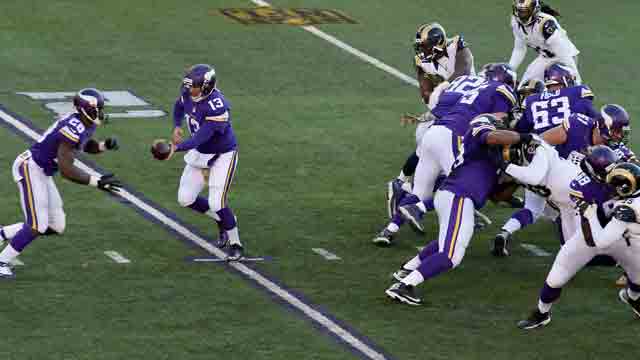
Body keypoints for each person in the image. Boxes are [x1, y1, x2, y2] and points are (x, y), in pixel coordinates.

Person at [384, 114, 533, 305]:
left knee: (446, 242)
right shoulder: (480, 134)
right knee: (452, 255)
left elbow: (497, 197)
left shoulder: (490, 159)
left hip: (458, 197)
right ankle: (404, 286)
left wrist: (516, 177)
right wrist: (525, 137)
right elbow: (494, 137)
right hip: (458, 196)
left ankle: (407, 269)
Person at [0, 88, 122, 278]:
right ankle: (2, 261)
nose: (100, 112)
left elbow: (83, 143)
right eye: (96, 108)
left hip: (42, 171)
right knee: (36, 225)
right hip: (31, 168)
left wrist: (102, 146)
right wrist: (97, 182)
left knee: (56, 224)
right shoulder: (73, 126)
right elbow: (66, 170)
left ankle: (1, 234)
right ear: (84, 109)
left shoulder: (85, 122)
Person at [517, 155, 639, 329]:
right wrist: (591, 215)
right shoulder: (582, 188)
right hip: (592, 234)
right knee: (557, 276)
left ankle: (633, 298)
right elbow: (592, 235)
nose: (613, 177)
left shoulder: (622, 176)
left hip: (624, 236)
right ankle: (541, 313)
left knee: (638, 279)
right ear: (595, 176)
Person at [492, 62, 597, 255]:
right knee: (575, 206)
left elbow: (520, 131)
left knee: (534, 207)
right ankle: (575, 251)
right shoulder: (577, 94)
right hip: (565, 164)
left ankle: (505, 232)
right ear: (566, 80)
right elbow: (596, 125)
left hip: (536, 162)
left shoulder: (532, 101)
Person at [168, 64, 244, 261]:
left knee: (216, 201)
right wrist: (176, 126)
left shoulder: (217, 106)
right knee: (185, 198)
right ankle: (222, 219)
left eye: (194, 86)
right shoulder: (187, 92)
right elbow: (178, 106)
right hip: (201, 153)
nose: (189, 89)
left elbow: (200, 138)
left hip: (223, 154)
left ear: (206, 86)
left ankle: (236, 244)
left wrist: (176, 148)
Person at [508, 0, 581, 86]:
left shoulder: (545, 23)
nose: (522, 15)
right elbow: (519, 49)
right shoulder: (515, 22)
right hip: (545, 58)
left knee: (558, 87)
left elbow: (562, 52)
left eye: (525, 12)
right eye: (520, 11)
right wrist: (510, 71)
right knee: (525, 87)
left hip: (564, 57)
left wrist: (575, 76)